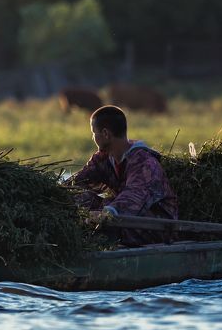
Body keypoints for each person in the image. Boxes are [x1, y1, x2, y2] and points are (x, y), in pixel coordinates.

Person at [71, 105, 178, 246]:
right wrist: (54, 195)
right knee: (80, 197)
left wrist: (104, 214)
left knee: (108, 223)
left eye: (93, 133)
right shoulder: (103, 159)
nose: (93, 138)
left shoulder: (145, 163)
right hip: (123, 217)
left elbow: (133, 196)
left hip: (155, 225)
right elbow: (77, 182)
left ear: (105, 134)